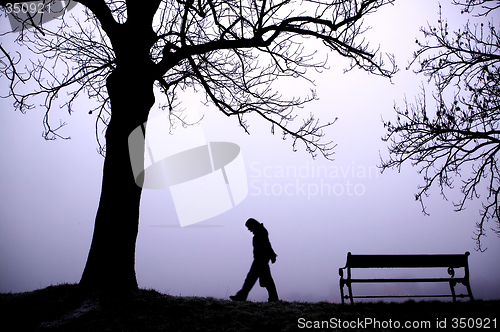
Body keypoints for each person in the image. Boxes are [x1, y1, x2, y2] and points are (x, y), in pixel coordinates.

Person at [230, 218, 279, 302]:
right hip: (260, 259)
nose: (248, 229)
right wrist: (272, 255)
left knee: (252, 279)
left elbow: (267, 245)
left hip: (260, 260)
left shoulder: (261, 233)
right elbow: (268, 244)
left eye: (248, 227)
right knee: (265, 280)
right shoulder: (261, 232)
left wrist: (272, 255)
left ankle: (241, 296)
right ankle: (273, 298)